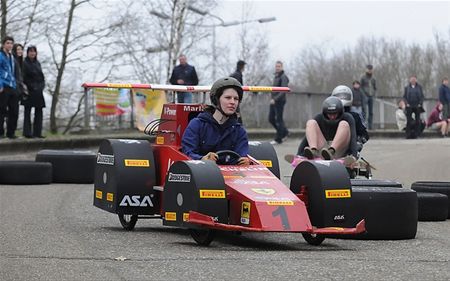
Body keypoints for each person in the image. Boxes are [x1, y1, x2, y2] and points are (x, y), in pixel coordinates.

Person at [182, 77, 250, 166]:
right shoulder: (197, 124)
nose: (233, 102)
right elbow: (187, 153)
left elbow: (242, 155)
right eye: (228, 98)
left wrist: (245, 161)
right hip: (201, 174)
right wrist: (202, 159)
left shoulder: (239, 130)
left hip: (233, 177)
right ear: (216, 100)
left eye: (236, 99)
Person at [296, 96, 358, 160]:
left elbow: (353, 138)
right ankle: (313, 151)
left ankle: (331, 151)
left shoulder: (348, 117)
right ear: (325, 113)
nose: (332, 117)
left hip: (339, 151)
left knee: (344, 124)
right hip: (324, 151)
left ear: (340, 112)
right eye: (330, 114)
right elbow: (306, 137)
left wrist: (354, 156)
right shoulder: (319, 118)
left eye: (335, 114)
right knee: (311, 123)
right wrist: (299, 155)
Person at [331, 85, 369, 150]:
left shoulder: (355, 116)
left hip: (346, 147)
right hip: (332, 145)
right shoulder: (355, 116)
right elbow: (365, 135)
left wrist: (359, 142)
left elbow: (365, 135)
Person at [22, 45, 46, 138]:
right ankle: (27, 132)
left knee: (39, 112)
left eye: (34, 51)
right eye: (30, 51)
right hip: (29, 91)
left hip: (39, 91)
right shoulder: (25, 63)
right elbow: (24, 77)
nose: (32, 53)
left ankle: (38, 132)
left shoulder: (38, 63)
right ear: (27, 53)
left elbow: (42, 77)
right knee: (27, 112)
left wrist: (41, 86)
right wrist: (32, 87)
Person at [0, 36, 18, 139]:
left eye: (11, 43)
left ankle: (11, 133)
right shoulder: (0, 56)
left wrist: (15, 85)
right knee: (2, 110)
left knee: (14, 110)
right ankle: (0, 132)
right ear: (3, 44)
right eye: (7, 43)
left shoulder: (11, 57)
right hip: (3, 85)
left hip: (12, 86)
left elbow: (13, 72)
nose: (9, 45)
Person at [269, 61, 289, 145]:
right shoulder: (276, 76)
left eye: (279, 66)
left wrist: (275, 99)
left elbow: (283, 90)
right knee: (271, 119)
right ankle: (284, 132)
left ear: (282, 67)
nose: (277, 68)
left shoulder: (283, 77)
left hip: (279, 101)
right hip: (273, 101)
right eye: (276, 66)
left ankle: (278, 138)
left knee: (279, 120)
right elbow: (274, 89)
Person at [360, 64, 377, 129]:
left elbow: (375, 88)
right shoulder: (363, 77)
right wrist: (363, 94)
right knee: (364, 111)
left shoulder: (373, 78)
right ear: (366, 69)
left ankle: (370, 126)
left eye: (371, 69)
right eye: (368, 69)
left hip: (371, 96)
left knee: (371, 112)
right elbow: (360, 87)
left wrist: (374, 94)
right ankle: (363, 125)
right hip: (365, 96)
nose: (370, 70)